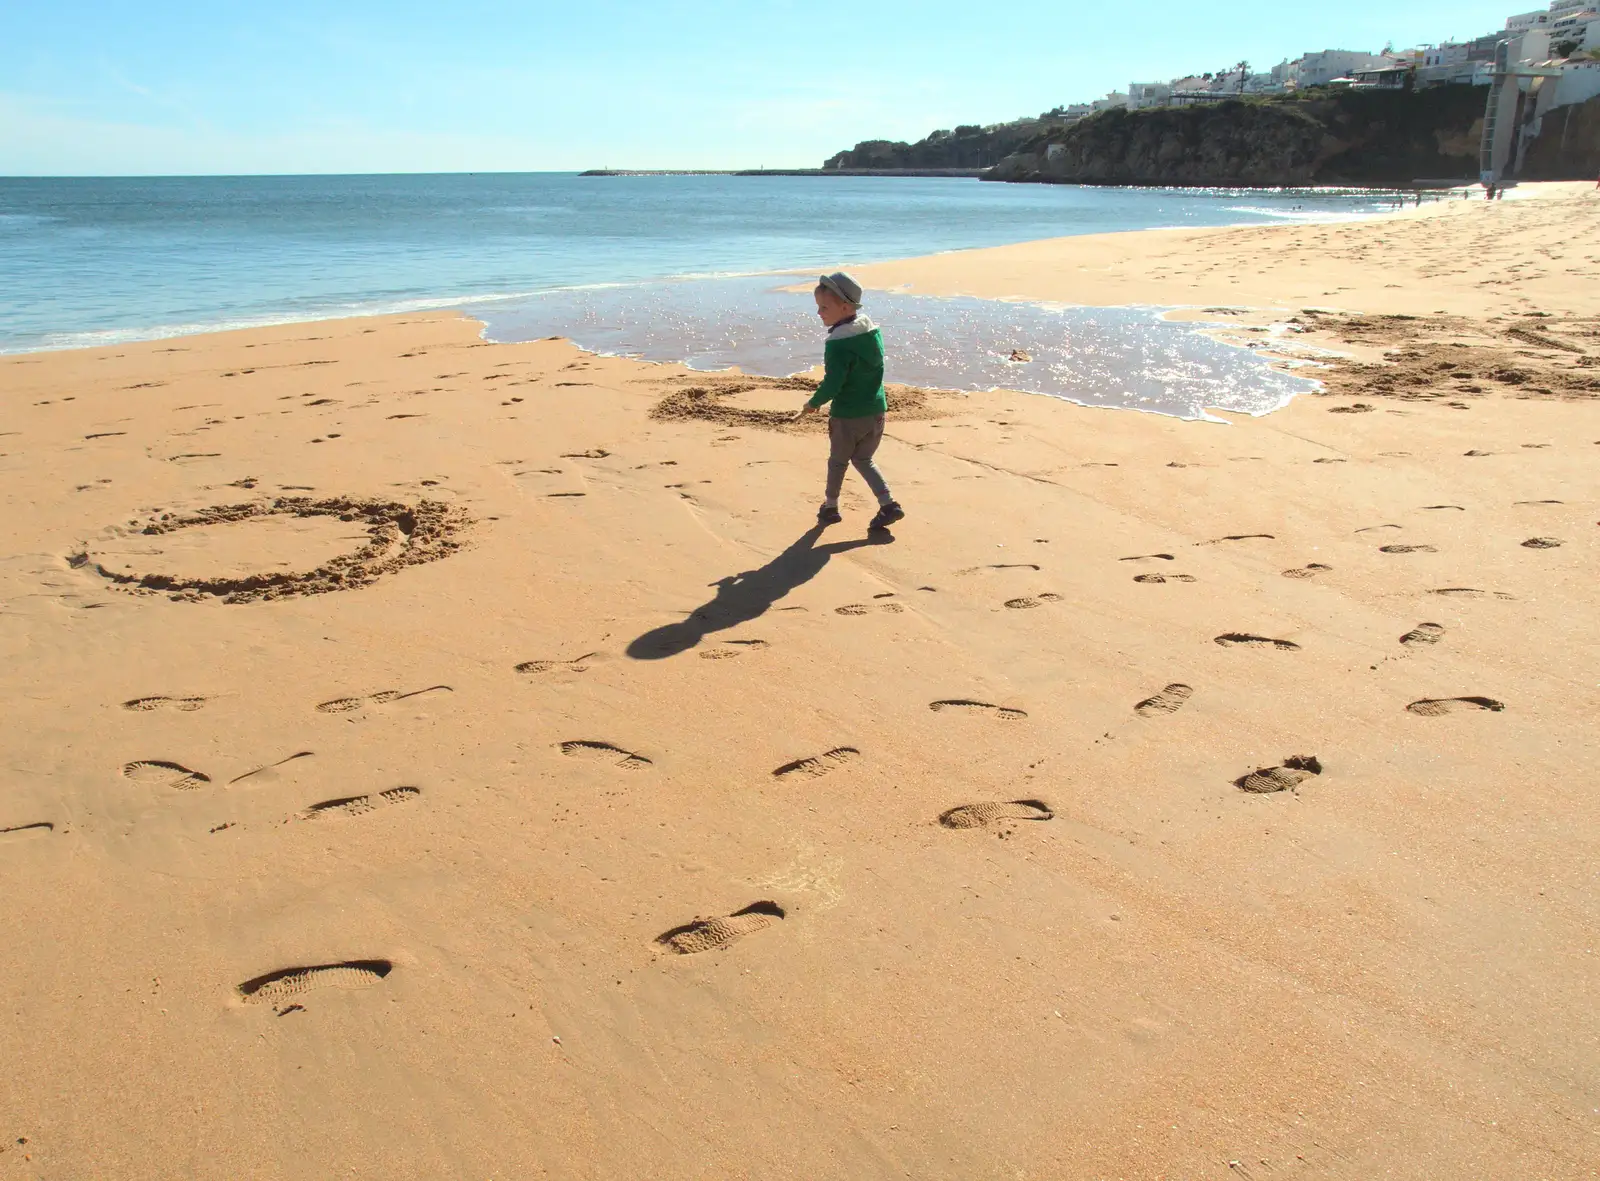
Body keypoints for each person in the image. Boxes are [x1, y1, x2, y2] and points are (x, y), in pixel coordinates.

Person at [798, 272, 905, 530]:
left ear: (845, 307)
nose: (819, 313)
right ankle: (888, 503)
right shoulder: (871, 334)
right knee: (863, 459)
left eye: (824, 307)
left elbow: (834, 383)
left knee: (838, 461)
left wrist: (813, 403)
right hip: (876, 411)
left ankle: (830, 507)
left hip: (848, 416)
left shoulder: (838, 344)